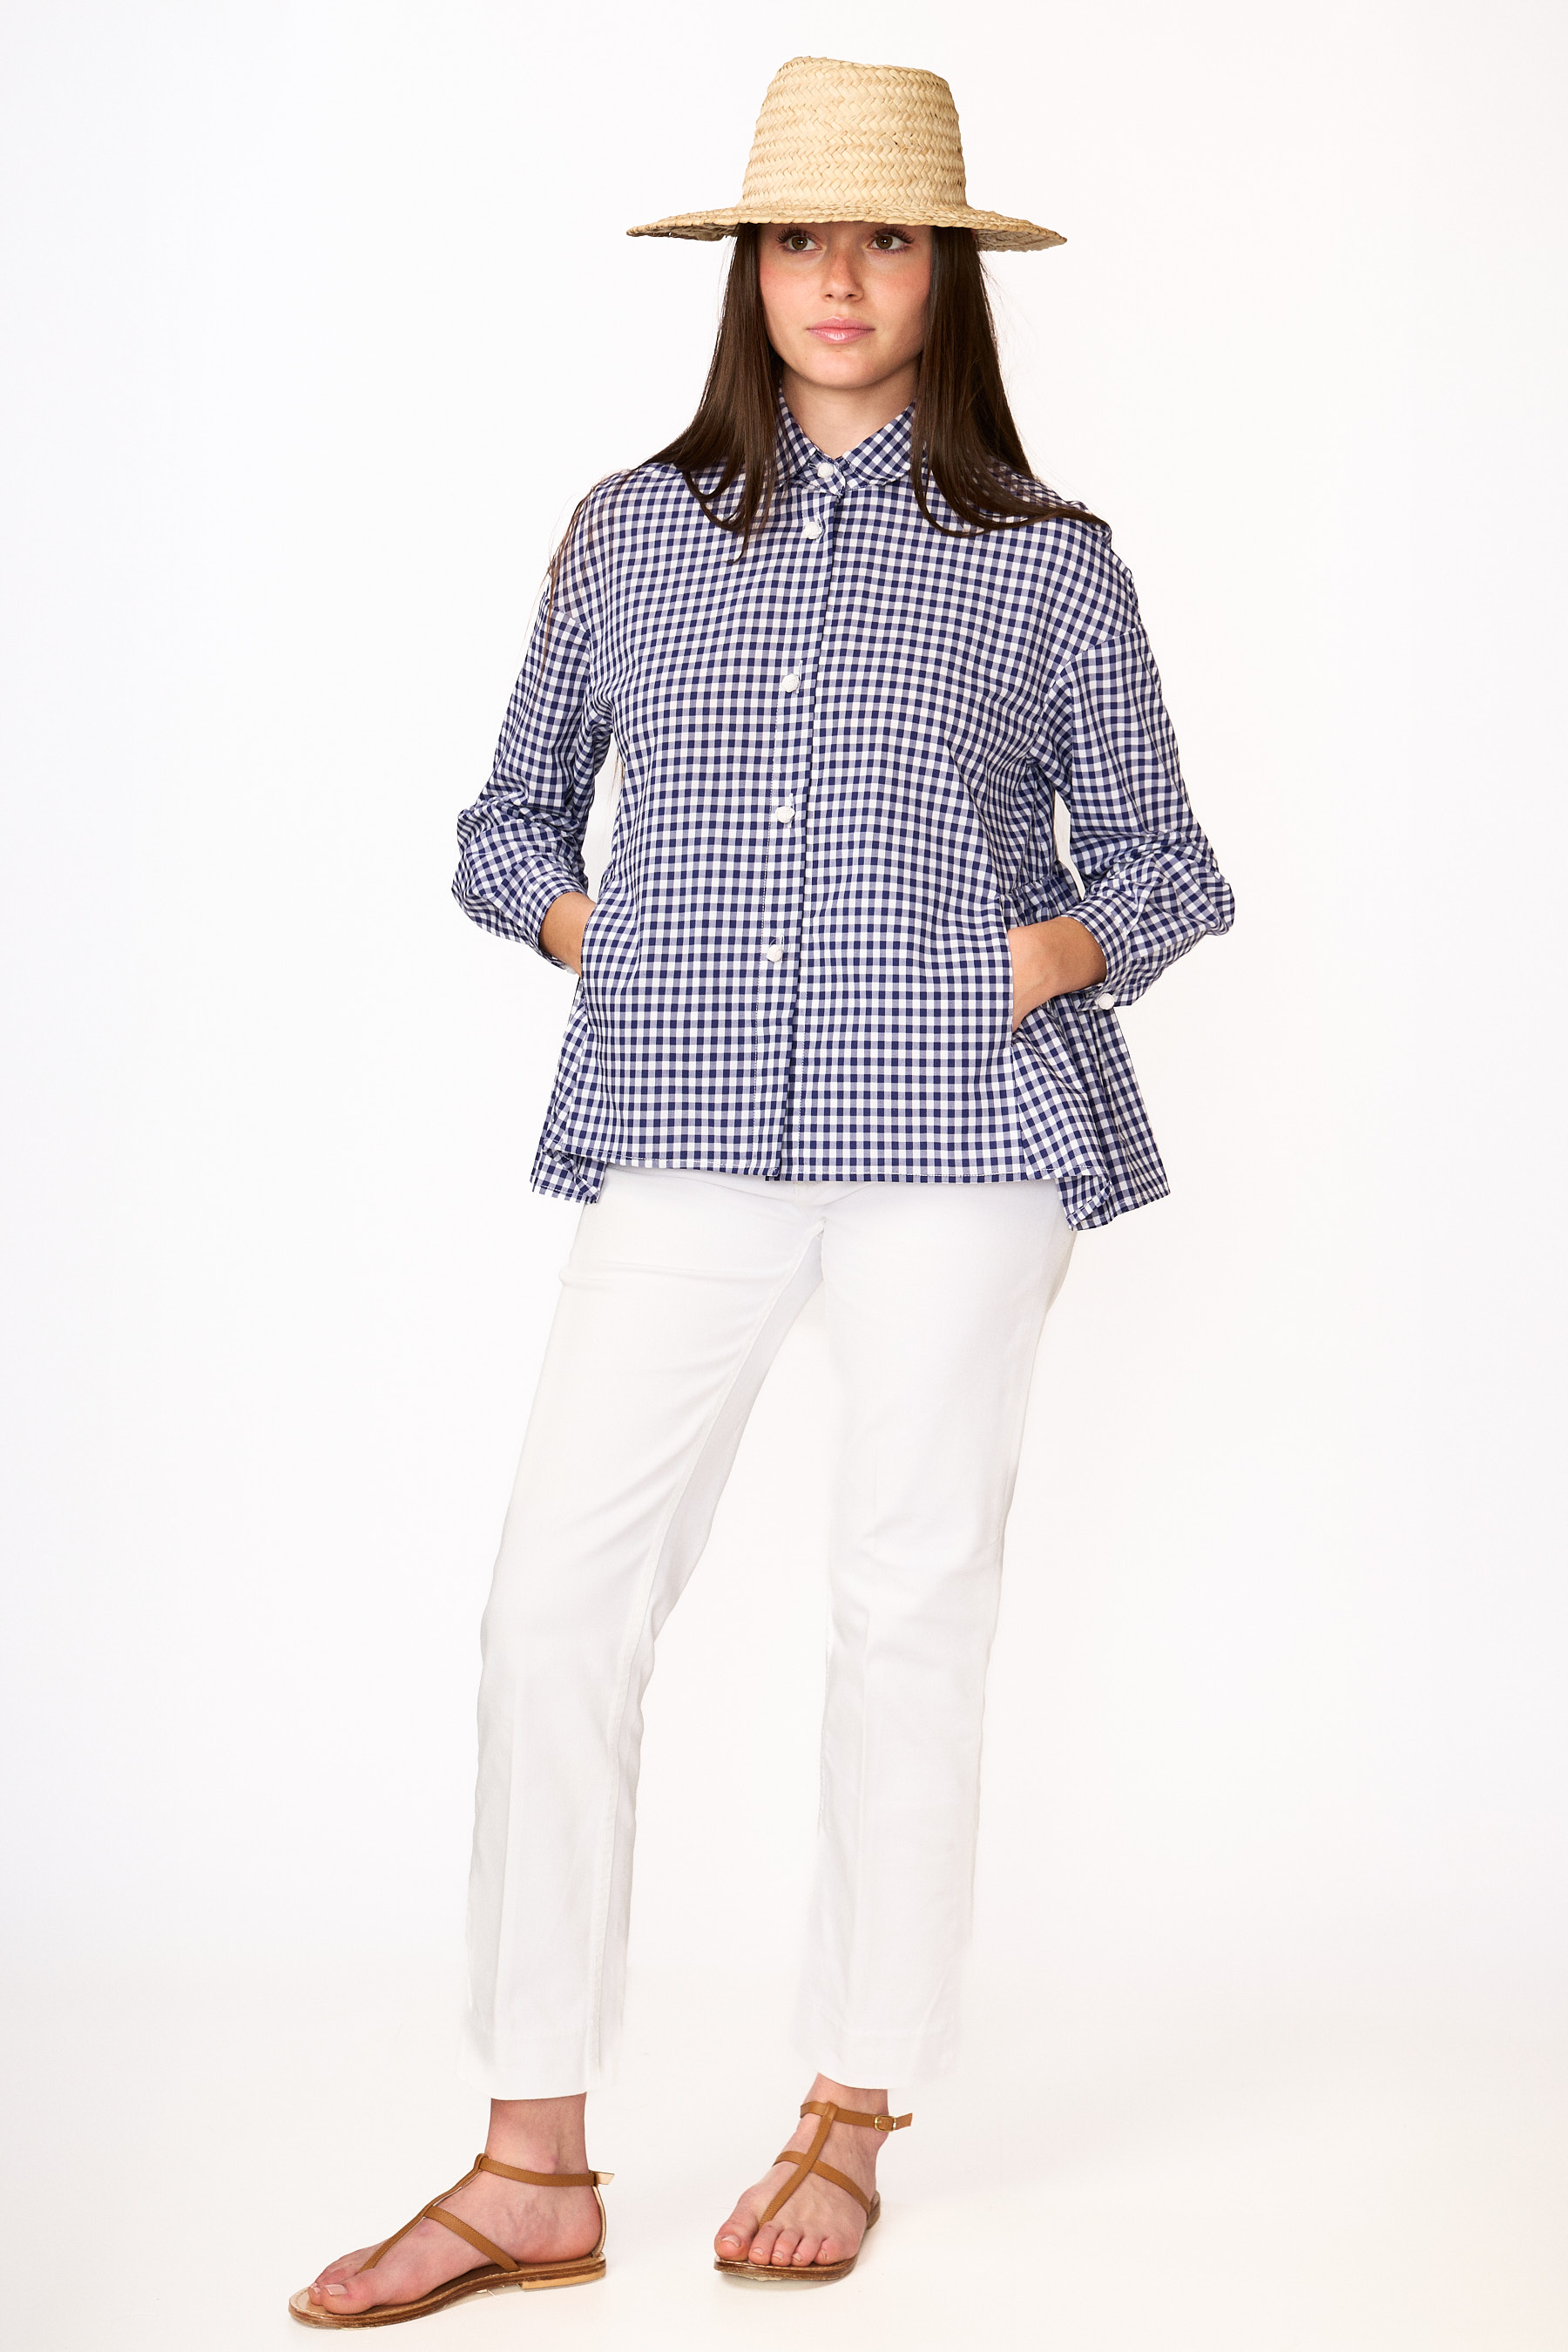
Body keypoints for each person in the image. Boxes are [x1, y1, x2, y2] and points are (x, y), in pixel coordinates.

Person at [290, 52, 1233, 2327]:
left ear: (943, 277)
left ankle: (854, 2101)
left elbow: (1171, 863)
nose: (838, 277)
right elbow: (505, 823)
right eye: (802, 236)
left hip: (965, 1142)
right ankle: (531, 2161)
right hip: (686, 1128)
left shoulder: (1047, 561)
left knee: (907, 1603)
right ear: (747, 269)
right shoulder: (629, 536)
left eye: (885, 237)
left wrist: (1038, 953)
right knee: (553, 1606)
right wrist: (602, 935)